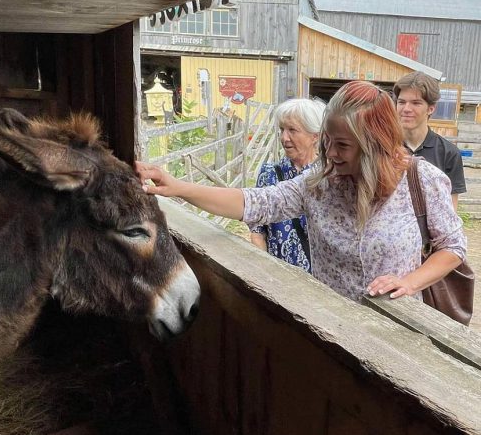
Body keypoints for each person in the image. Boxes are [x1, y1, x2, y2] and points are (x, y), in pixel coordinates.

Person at [136, 81, 466, 303]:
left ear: (375, 145)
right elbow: (256, 203)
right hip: (332, 325)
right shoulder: (319, 183)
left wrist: (410, 282)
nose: (331, 154)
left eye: (343, 146)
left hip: (399, 328)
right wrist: (177, 187)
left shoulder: (422, 180)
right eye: (327, 142)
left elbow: (452, 247)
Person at [249, 98, 326, 273]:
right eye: (282, 130)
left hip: (320, 283)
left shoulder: (328, 177)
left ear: (315, 136)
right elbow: (257, 232)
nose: (284, 138)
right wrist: (267, 273)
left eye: (292, 130)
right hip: (280, 279)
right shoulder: (269, 173)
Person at [393, 71, 466, 209]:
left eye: (416, 103)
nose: (406, 109)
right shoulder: (383, 147)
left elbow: (450, 210)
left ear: (431, 108)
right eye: (401, 102)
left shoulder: (449, 154)